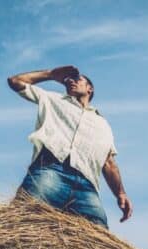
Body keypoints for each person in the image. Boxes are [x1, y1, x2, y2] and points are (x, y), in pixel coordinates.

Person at [7, 65, 133, 230]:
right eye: (68, 80)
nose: (72, 82)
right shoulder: (53, 99)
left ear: (90, 88)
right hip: (50, 172)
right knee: (22, 222)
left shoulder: (103, 124)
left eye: (78, 79)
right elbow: (15, 81)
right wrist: (51, 75)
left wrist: (121, 193)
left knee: (98, 237)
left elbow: (108, 163)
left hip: (87, 187)